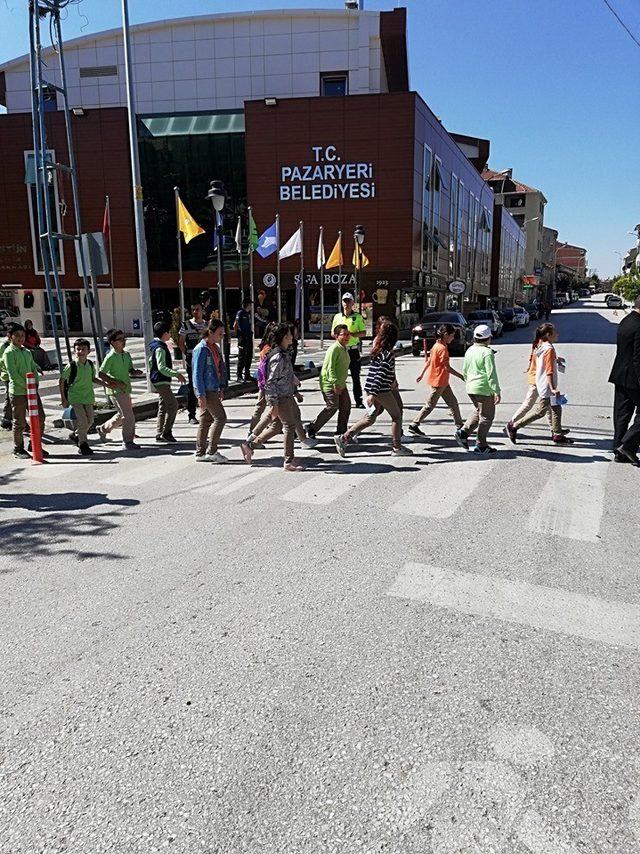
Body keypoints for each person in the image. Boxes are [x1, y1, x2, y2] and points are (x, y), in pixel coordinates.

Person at [334, 320, 413, 457]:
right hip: (381, 390)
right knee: (396, 416)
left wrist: (376, 389)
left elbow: (377, 373)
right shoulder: (387, 354)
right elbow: (380, 374)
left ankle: (344, 438)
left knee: (370, 418)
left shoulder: (378, 350)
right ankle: (397, 447)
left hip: (373, 388)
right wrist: (374, 394)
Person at [241, 322, 306, 471]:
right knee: (289, 426)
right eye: (290, 334)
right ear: (284, 337)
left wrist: (294, 384)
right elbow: (270, 382)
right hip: (280, 397)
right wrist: (274, 404)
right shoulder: (278, 356)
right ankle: (288, 462)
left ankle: (249, 446)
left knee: (276, 427)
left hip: (285, 395)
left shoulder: (283, 352)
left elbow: (283, 375)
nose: (292, 336)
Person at [505, 323, 573, 446]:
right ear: (548, 334)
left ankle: (557, 433)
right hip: (546, 385)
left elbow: (544, 362)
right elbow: (549, 370)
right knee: (540, 412)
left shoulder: (543, 346)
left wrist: (556, 360)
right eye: (555, 332)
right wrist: (553, 388)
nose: (557, 334)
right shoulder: (548, 349)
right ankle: (515, 426)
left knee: (556, 408)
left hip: (543, 383)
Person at [59, 338, 113, 457]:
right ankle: (83, 445)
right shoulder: (71, 365)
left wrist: (107, 384)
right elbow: (62, 380)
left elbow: (93, 378)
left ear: (88, 351)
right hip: (75, 397)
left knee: (90, 421)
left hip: (87, 397)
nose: (80, 351)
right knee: (83, 421)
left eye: (83, 349)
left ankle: (76, 435)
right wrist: (64, 398)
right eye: (78, 349)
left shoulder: (89, 364)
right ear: (74, 351)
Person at [408, 323, 464, 436]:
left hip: (441, 381)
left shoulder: (436, 346)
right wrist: (461, 376)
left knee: (453, 403)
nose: (453, 338)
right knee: (430, 405)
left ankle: (460, 427)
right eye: (452, 336)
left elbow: (429, 361)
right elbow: (447, 367)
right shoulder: (442, 349)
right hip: (439, 381)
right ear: (446, 335)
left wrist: (422, 374)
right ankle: (414, 424)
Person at [1, 324, 46, 459]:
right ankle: (18, 448)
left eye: (23, 335)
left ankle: (35, 444)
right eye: (17, 335)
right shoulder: (8, 353)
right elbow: (13, 374)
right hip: (18, 393)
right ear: (10, 337)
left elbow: (32, 366)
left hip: (31, 391)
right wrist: (28, 386)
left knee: (40, 418)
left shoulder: (26, 351)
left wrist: (35, 379)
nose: (21, 338)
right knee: (19, 422)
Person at [455, 324, 501, 454]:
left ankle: (463, 432)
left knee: (479, 410)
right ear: (488, 339)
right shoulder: (487, 353)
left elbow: (465, 370)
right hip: (483, 388)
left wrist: (469, 381)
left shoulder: (470, 350)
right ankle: (481, 444)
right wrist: (496, 391)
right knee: (487, 417)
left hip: (471, 387)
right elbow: (491, 373)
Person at [97, 329, 145, 450]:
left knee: (122, 414)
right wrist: (115, 382)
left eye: (124, 339)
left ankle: (103, 429)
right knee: (128, 416)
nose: (123, 341)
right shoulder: (110, 357)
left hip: (126, 389)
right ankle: (127, 441)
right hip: (115, 391)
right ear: (112, 342)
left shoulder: (126, 355)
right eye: (120, 339)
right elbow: (101, 374)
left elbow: (130, 370)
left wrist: (135, 372)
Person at [608, 293, 640, 464]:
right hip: (634, 378)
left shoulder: (626, 321)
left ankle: (619, 449)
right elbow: (638, 356)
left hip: (620, 374)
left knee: (622, 414)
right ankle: (627, 446)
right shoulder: (639, 324)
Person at [192, 318, 229, 463]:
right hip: (206, 390)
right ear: (211, 332)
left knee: (206, 420)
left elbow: (218, 370)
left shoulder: (214, 348)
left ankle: (200, 453)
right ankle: (212, 451)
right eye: (220, 334)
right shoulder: (201, 349)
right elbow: (197, 373)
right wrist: (200, 394)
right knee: (220, 418)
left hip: (213, 387)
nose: (222, 336)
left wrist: (220, 387)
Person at [306, 323, 351, 439]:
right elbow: (330, 368)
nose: (347, 337)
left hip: (341, 383)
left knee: (346, 407)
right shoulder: (334, 349)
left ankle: (341, 432)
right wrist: (334, 383)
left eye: (348, 334)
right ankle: (312, 428)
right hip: (330, 383)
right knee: (332, 407)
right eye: (343, 334)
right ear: (336, 336)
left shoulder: (344, 348)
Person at [149, 321, 187, 444]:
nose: (170, 334)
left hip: (158, 380)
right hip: (161, 381)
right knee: (173, 405)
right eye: (169, 332)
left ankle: (159, 433)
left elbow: (151, 362)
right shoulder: (160, 348)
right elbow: (161, 367)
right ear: (165, 334)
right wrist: (176, 374)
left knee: (163, 406)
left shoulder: (155, 346)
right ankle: (167, 432)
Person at [332, 292, 366, 408]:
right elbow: (332, 333)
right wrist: (340, 336)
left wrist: (351, 334)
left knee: (355, 376)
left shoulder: (357, 317)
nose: (346, 303)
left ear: (352, 303)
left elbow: (363, 333)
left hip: (353, 350)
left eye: (348, 301)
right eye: (344, 301)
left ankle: (359, 400)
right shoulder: (337, 317)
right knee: (340, 376)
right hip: (341, 350)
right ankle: (340, 400)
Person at [178, 303, 207, 424]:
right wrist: (188, 355)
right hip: (192, 360)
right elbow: (181, 342)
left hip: (205, 359)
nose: (195, 312)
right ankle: (191, 414)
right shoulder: (186, 325)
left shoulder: (206, 325)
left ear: (202, 311)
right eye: (193, 309)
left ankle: (206, 412)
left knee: (206, 385)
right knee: (193, 386)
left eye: (198, 309)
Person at [1, 323, 19, 430]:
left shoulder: (18, 346)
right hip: (8, 376)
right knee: (9, 396)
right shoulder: (4, 347)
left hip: (17, 374)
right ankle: (6, 418)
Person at [234, 298, 254, 383]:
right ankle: (239, 375)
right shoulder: (240, 313)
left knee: (249, 355)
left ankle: (247, 374)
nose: (251, 306)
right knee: (242, 356)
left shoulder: (247, 314)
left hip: (248, 336)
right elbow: (236, 324)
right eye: (250, 304)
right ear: (248, 304)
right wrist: (239, 336)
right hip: (243, 337)